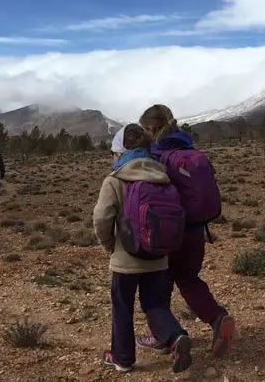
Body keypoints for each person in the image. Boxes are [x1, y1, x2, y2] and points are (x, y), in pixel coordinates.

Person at [137, 104, 236, 358]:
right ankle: (217, 318)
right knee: (189, 279)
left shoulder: (155, 157)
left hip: (168, 235)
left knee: (157, 287)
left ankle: (166, 336)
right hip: (195, 231)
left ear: (150, 128)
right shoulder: (189, 151)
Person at [93, 124, 193, 374]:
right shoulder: (163, 176)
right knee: (156, 304)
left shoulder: (115, 179)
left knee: (122, 307)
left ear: (122, 151)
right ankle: (175, 337)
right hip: (158, 256)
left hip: (126, 260)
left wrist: (109, 246)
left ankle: (122, 358)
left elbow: (102, 218)